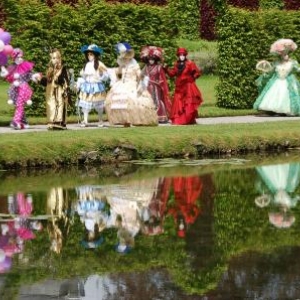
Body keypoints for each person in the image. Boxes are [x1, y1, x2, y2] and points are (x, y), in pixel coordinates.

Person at [105, 42, 158, 127]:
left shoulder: (134, 66)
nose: (125, 59)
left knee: (131, 101)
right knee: (118, 102)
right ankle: (125, 121)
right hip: (122, 84)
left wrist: (142, 77)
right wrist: (111, 71)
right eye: (124, 58)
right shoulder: (122, 66)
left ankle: (132, 120)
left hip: (131, 84)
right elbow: (117, 73)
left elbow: (139, 74)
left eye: (126, 57)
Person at [253, 38, 300, 116]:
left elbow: (298, 69)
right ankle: (271, 111)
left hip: (289, 83)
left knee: (285, 95)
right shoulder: (276, 63)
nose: (285, 56)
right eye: (283, 54)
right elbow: (270, 72)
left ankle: (283, 111)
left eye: (286, 54)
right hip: (277, 82)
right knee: (273, 94)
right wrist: (265, 67)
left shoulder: (293, 63)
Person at [0, 48, 40, 130]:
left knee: (19, 104)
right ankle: (24, 123)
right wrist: (5, 73)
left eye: (21, 57)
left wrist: (34, 76)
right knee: (18, 105)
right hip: (14, 89)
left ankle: (16, 121)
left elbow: (30, 75)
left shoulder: (25, 65)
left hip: (23, 88)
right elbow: (9, 77)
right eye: (18, 57)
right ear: (14, 58)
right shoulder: (12, 67)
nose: (20, 59)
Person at [164, 47, 203, 125]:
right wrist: (166, 69)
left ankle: (188, 119)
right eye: (180, 55)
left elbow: (197, 73)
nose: (181, 56)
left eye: (183, 55)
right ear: (178, 56)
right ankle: (179, 120)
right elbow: (172, 74)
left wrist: (192, 78)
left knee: (188, 103)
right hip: (179, 87)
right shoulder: (176, 64)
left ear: (185, 55)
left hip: (188, 87)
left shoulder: (190, 63)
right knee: (179, 103)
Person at [76, 44, 109, 127]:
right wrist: (79, 84)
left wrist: (101, 75)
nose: (89, 56)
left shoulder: (100, 64)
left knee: (99, 104)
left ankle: (100, 120)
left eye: (91, 54)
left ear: (95, 55)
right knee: (85, 104)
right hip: (87, 87)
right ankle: (85, 120)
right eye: (88, 54)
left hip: (97, 87)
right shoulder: (86, 65)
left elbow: (106, 75)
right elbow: (83, 76)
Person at [39, 48, 71, 130]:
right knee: (51, 106)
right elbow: (47, 81)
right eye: (52, 58)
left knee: (59, 105)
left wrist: (60, 80)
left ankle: (59, 122)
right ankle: (51, 121)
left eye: (55, 58)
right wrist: (40, 79)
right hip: (50, 92)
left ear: (59, 58)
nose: (53, 60)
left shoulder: (63, 69)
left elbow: (65, 80)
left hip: (59, 91)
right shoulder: (50, 70)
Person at [140, 46, 172, 123]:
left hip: (156, 87)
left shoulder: (158, 67)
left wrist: (159, 83)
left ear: (155, 60)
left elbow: (162, 77)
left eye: (153, 59)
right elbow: (141, 76)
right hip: (148, 87)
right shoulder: (146, 67)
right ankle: (148, 117)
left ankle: (160, 117)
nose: (151, 61)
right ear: (148, 60)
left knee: (157, 101)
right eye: (150, 60)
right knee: (148, 101)